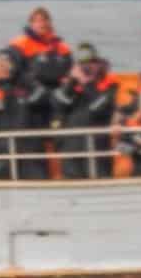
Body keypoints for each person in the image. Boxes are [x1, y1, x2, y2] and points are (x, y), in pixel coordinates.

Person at [51, 44, 124, 180]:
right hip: (71, 149)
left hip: (97, 150)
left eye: (91, 63)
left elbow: (96, 109)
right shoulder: (68, 87)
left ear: (98, 64)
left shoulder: (109, 87)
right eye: (83, 64)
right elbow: (60, 104)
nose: (87, 68)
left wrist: (88, 84)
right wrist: (73, 82)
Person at [0, 50, 41, 181]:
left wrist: (18, 76)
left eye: (6, 64)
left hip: (29, 152)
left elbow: (42, 96)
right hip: (1, 152)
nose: (3, 68)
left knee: (35, 192)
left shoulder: (26, 85)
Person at [7, 7, 73, 133]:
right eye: (37, 21)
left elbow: (69, 71)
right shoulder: (20, 44)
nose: (41, 24)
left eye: (44, 20)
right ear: (31, 24)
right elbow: (14, 72)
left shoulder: (61, 47)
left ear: (50, 23)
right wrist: (33, 85)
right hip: (30, 95)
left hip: (55, 96)